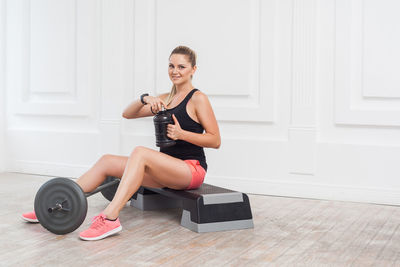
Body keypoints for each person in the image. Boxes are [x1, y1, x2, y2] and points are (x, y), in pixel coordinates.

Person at [22, 46, 221, 241]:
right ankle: (58, 201)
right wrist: (145, 98)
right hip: (166, 169)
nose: (175, 71)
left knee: (140, 153)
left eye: (181, 67)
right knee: (107, 161)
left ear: (193, 70)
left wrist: (181, 134)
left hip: (190, 170)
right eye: (171, 66)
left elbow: (215, 140)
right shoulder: (165, 99)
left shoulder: (198, 98)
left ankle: (110, 218)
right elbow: (127, 114)